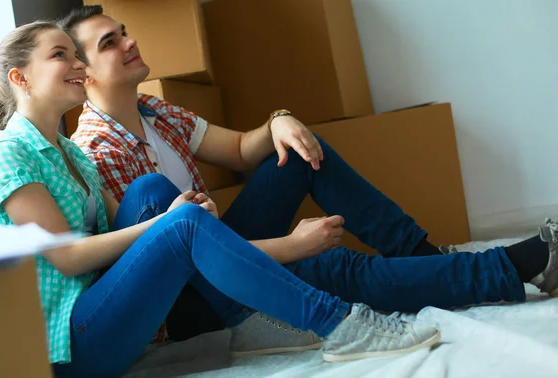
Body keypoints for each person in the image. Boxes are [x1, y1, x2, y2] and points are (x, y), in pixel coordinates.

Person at [0, 21, 441, 378]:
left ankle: (254, 317)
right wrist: (173, 226)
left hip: (106, 310)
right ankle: (339, 325)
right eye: (61, 56)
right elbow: (67, 258)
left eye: (77, 55)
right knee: (175, 220)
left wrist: (186, 219)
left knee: (154, 194)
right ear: (20, 77)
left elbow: (122, 229)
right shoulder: (8, 155)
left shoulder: (69, 152)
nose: (78, 65)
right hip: (68, 346)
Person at [61, 2, 558, 335]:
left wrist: (279, 121)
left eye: (124, 32)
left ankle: (419, 254)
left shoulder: (154, 109)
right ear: (82, 75)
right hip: (189, 297)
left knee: (298, 150)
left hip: (218, 246)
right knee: (329, 267)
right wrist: (292, 247)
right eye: (109, 43)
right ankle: (517, 265)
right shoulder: (97, 150)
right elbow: (182, 256)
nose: (128, 42)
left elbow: (237, 150)